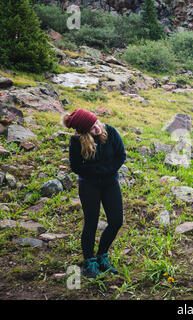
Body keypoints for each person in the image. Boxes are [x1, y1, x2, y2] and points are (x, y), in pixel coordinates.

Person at [62, 108, 126, 278]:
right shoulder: (76, 142)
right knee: (91, 223)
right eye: (92, 127)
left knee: (116, 221)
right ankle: (89, 262)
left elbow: (121, 155)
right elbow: (76, 166)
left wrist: (105, 171)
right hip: (89, 186)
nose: (97, 128)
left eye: (96, 122)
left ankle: (102, 256)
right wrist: (99, 172)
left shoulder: (110, 132)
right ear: (83, 132)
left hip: (110, 183)